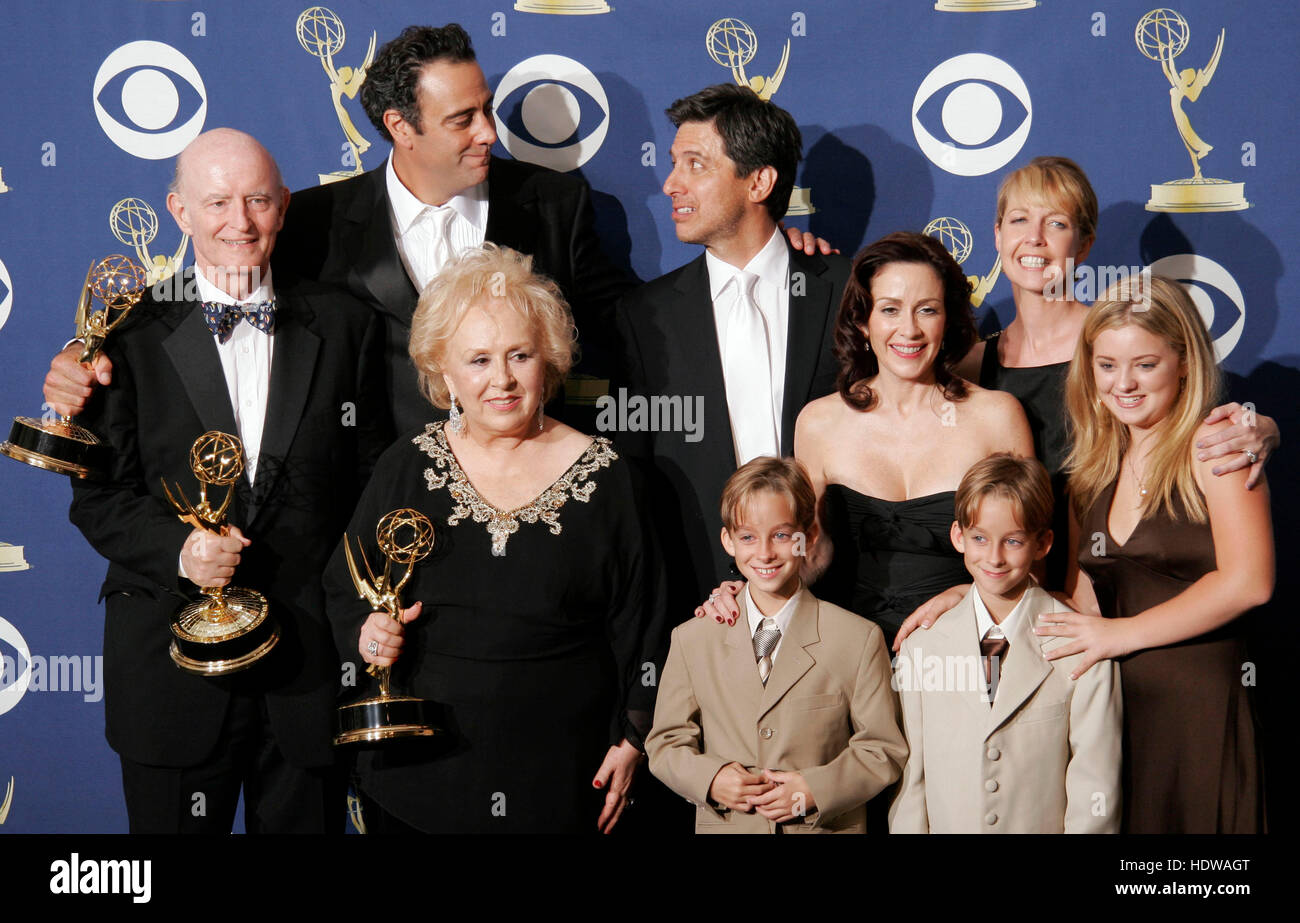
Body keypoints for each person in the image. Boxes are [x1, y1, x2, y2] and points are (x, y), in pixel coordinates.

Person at [41, 25, 830, 432]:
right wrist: (94, 349)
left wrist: (759, 256)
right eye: (463, 118)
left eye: (486, 109)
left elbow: (636, 327)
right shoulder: (314, 219)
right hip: (374, 510)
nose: (489, 131)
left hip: (529, 493)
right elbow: (222, 293)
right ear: (400, 126)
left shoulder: (554, 203)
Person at [67, 128, 390, 833]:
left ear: (283, 206)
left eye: (257, 200)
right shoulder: (124, 333)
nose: (239, 222)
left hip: (307, 666)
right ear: (180, 211)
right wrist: (181, 550)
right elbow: (97, 497)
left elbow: (373, 487)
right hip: (169, 668)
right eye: (217, 202)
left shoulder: (347, 326)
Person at [325, 244, 663, 834]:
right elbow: (346, 585)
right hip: (417, 779)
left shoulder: (611, 478)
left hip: (563, 778)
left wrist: (634, 740)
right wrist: (369, 631)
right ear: (444, 372)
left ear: (548, 359)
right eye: (478, 360)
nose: (502, 380)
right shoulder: (406, 465)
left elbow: (646, 625)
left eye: (519, 355)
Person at [895, 157, 1280, 642]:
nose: (1034, 238)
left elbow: (1185, 429)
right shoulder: (969, 366)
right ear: (996, 234)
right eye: (1019, 220)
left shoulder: (1118, 342)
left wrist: (1263, 428)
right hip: (1016, 591)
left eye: (1056, 223)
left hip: (1111, 601)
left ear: (1084, 243)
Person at [700, 233, 1033, 643]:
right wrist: (750, 590)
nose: (909, 330)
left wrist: (971, 598)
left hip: (967, 646)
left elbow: (1034, 565)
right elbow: (808, 554)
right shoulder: (819, 422)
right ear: (863, 322)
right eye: (890, 309)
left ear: (948, 320)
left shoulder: (997, 417)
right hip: (841, 652)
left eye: (927, 310)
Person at [1043, 275, 1271, 833]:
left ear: (1184, 362)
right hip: (1114, 712)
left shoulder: (1219, 449)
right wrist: (973, 597)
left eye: (1145, 365)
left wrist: (1121, 635)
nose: (1123, 384)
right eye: (1107, 365)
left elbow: (1249, 582)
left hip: (1200, 712)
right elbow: (1082, 603)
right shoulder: (1089, 472)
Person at [614, 84, 850, 618]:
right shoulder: (644, 316)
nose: (670, 183)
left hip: (842, 599)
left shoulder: (848, 290)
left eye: (695, 165)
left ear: (759, 182)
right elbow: (638, 481)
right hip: (703, 607)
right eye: (674, 163)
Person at [646, 457, 906, 833]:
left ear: (809, 536)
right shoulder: (692, 639)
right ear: (728, 541)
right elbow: (665, 743)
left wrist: (816, 789)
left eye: (781, 536)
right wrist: (712, 779)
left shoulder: (857, 638)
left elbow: (883, 749)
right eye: (748, 537)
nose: (765, 553)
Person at [889, 453, 1122, 834]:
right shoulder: (923, 646)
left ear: (1042, 543)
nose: (994, 558)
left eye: (1013, 541)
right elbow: (912, 781)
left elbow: (1095, 783)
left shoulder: (1082, 646)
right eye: (980, 539)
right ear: (958, 537)